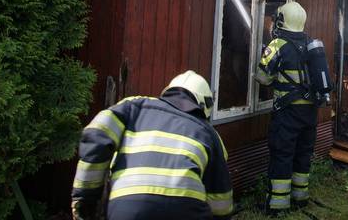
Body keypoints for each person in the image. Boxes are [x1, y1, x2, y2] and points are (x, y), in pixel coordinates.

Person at [70, 71, 233, 220]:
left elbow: (97, 134)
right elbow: (221, 204)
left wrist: (86, 197)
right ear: (203, 106)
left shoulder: (134, 106)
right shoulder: (209, 133)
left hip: (126, 210)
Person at [255, 1, 318, 215]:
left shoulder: (277, 45)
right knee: (303, 153)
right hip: (310, 113)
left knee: (282, 155)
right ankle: (300, 198)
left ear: (281, 20)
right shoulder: (311, 44)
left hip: (288, 112)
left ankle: (278, 205)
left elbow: (263, 78)